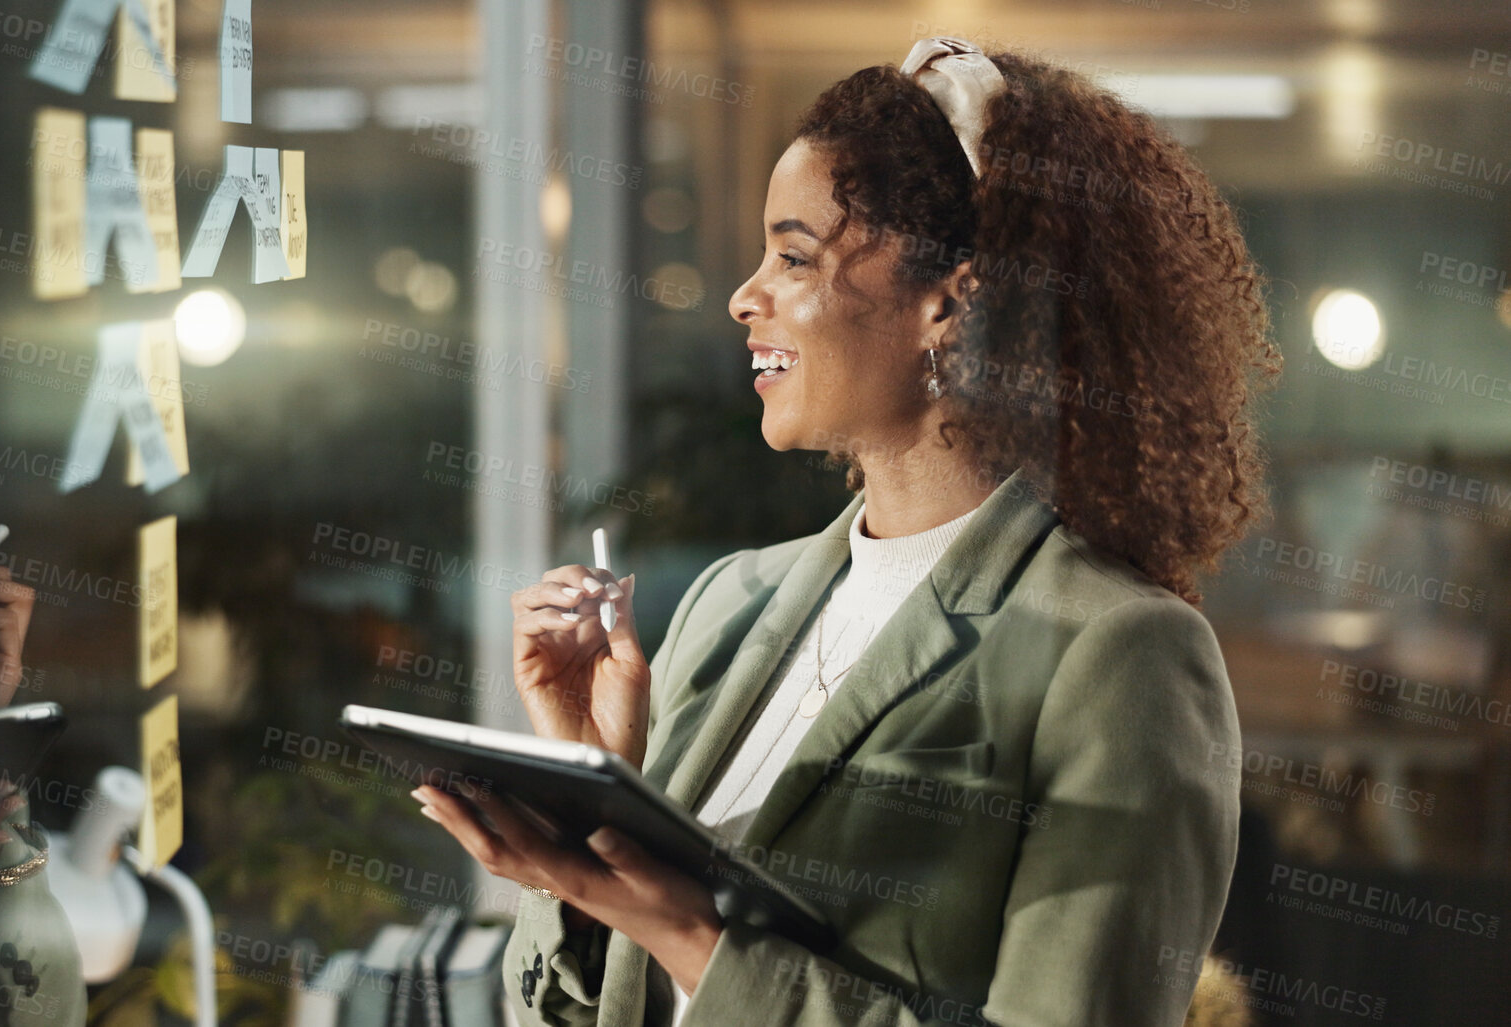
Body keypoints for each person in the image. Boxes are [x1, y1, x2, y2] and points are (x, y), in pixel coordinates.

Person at [413, 36, 1280, 1026]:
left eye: (792, 256)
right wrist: (589, 813)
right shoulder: (729, 602)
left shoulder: (1122, 652)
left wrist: (692, 936)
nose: (746, 296)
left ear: (949, 306)